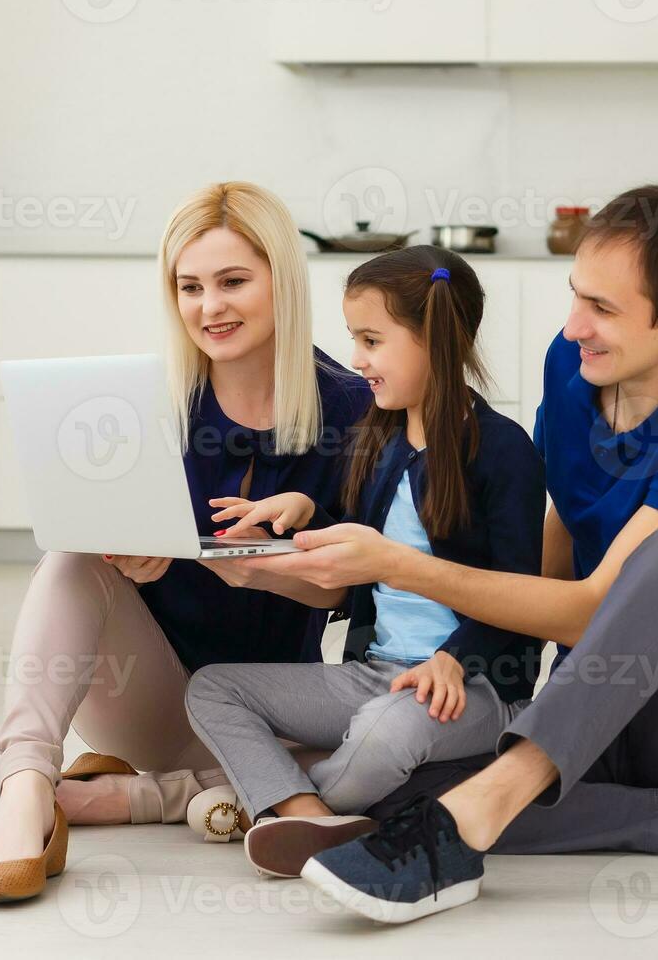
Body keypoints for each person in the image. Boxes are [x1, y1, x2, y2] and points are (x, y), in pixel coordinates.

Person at [240, 185, 658, 924]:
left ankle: (475, 819)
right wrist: (476, 658)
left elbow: (589, 610)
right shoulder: (574, 366)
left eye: (605, 310)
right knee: (399, 781)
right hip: (600, 709)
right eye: (576, 296)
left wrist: (393, 562)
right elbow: (551, 538)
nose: (576, 326)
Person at [0, 181, 370, 903]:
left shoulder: (352, 408)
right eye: (189, 287)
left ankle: (137, 797)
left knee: (390, 761)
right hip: (148, 698)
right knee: (67, 557)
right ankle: (27, 788)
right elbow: (93, 546)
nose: (208, 307)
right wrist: (127, 556)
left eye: (232, 282)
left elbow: (351, 587)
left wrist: (254, 568)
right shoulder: (148, 403)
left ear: (281, 280)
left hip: (267, 709)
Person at [185, 245, 547, 879]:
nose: (357, 360)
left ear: (434, 339)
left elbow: (521, 598)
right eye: (355, 339)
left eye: (372, 341)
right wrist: (301, 509)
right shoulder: (375, 438)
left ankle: (263, 801)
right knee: (213, 687)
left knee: (383, 734)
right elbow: (360, 555)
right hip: (375, 674)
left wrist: (456, 659)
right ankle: (308, 814)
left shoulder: (502, 451)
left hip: (475, 688)